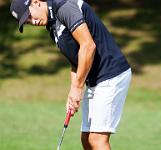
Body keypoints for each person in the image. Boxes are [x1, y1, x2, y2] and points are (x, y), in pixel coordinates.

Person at [10, 0, 132, 149]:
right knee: (86, 139)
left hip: (111, 73)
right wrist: (72, 92)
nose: (32, 22)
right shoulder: (52, 26)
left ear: (36, 2)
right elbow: (75, 60)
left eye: (29, 16)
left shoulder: (64, 7)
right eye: (27, 22)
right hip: (95, 80)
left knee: (97, 140)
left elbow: (88, 46)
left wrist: (78, 88)